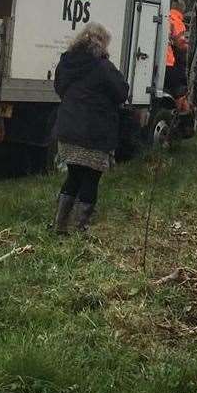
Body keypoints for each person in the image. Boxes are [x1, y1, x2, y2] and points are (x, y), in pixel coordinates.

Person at [51, 23, 128, 235]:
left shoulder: (66, 62)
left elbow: (59, 88)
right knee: (91, 178)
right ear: (101, 43)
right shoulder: (103, 67)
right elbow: (122, 92)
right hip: (94, 133)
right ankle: (80, 228)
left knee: (74, 176)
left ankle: (60, 225)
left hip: (68, 129)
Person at [163, 0, 191, 110]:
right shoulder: (177, 21)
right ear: (182, 9)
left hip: (161, 61)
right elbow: (181, 43)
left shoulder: (166, 16)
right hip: (169, 62)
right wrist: (189, 47)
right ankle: (181, 115)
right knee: (179, 89)